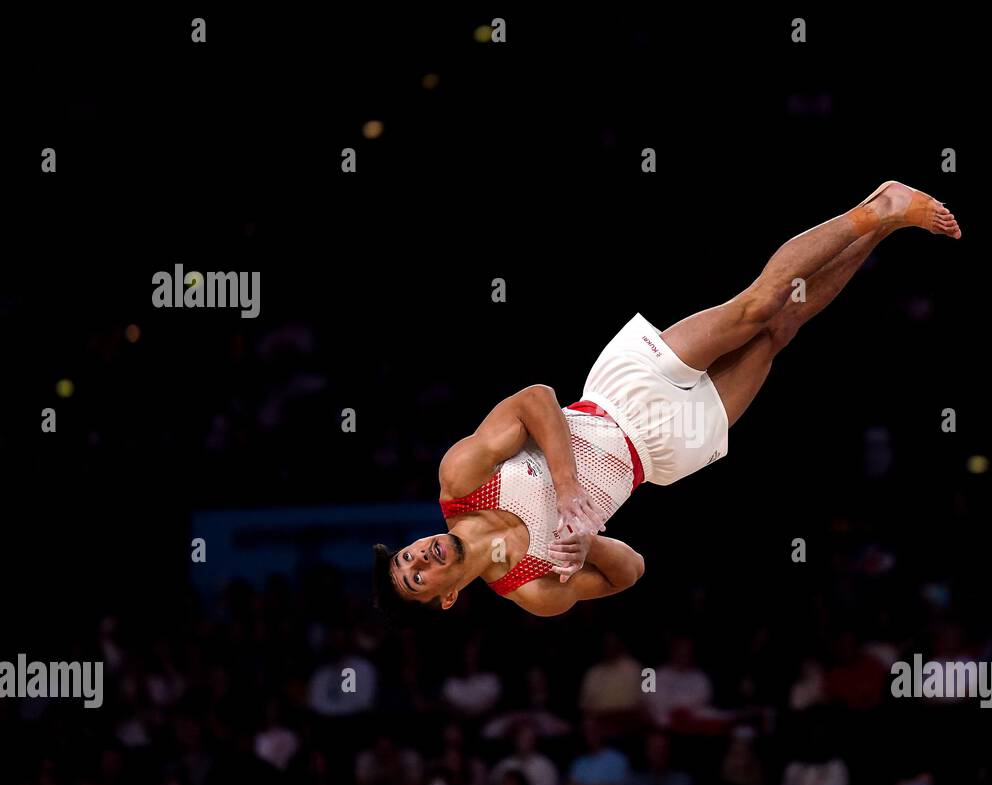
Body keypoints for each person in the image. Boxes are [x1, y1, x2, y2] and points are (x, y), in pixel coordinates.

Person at [374, 182, 960, 617]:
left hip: (619, 395)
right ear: (447, 597)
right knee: (780, 330)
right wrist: (587, 544)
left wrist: (568, 488)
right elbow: (631, 572)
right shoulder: (532, 590)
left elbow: (536, 398)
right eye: (417, 578)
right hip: (661, 454)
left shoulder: (461, 479)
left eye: (407, 556)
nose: (419, 559)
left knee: (755, 308)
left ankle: (870, 211)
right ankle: (887, 223)